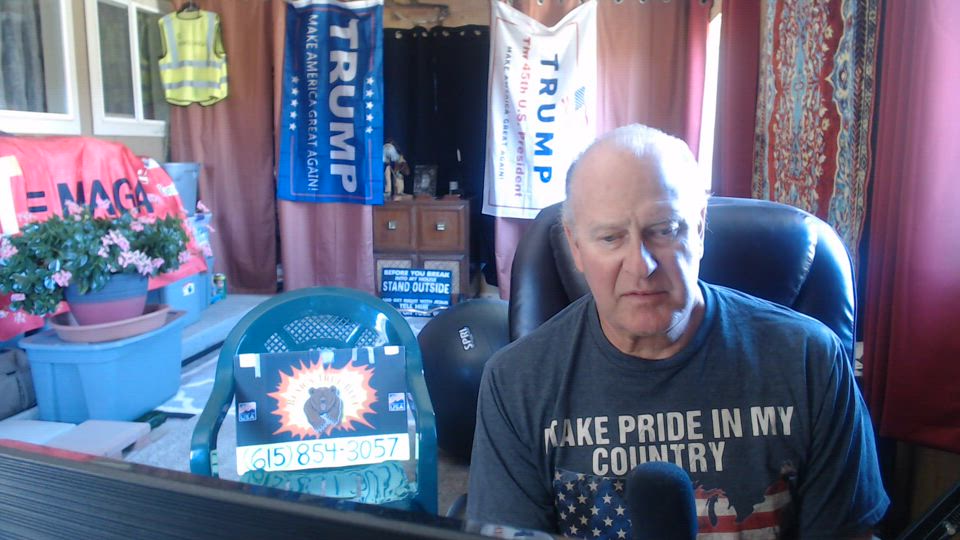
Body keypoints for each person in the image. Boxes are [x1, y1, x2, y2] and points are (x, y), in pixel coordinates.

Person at [466, 124, 888, 538]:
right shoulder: (516, 382)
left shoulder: (810, 360)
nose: (641, 265)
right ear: (576, 247)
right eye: (610, 238)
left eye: (664, 230)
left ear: (700, 229)